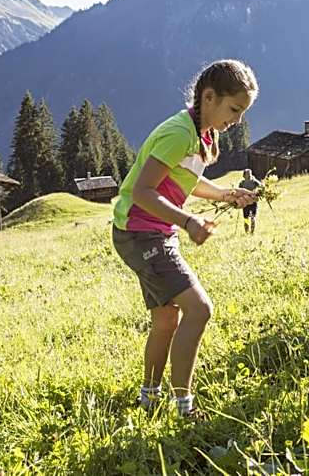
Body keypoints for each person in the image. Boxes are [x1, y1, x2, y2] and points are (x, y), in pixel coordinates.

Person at [111, 59, 259, 418]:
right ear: (209, 97)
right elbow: (144, 192)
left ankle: (149, 399)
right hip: (141, 232)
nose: (237, 120)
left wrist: (226, 194)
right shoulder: (180, 133)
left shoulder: (203, 133)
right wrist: (189, 221)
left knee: (166, 320)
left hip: (150, 231)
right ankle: (184, 408)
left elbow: (184, 180)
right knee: (199, 309)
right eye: (234, 109)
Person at [239, 168, 261, 234]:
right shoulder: (242, 183)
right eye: (248, 174)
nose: (249, 175)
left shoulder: (254, 182)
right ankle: (247, 232)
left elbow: (261, 187)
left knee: (252, 217)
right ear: (244, 175)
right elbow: (239, 192)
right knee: (246, 218)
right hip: (245, 203)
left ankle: (252, 232)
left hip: (253, 202)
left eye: (250, 174)